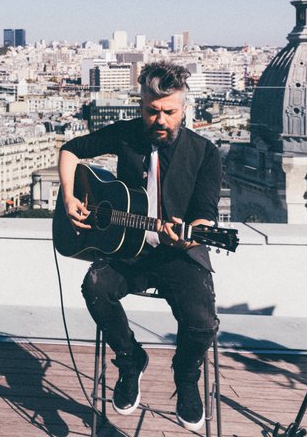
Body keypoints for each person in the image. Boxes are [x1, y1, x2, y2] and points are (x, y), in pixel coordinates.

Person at [57, 62, 221, 433]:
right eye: (151, 111)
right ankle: (130, 359)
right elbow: (70, 151)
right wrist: (70, 198)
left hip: (178, 254)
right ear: (140, 105)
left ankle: (185, 375)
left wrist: (188, 235)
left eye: (169, 112)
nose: (160, 119)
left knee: (202, 322)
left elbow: (205, 217)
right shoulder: (126, 135)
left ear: (184, 109)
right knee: (94, 287)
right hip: (126, 250)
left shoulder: (205, 153)